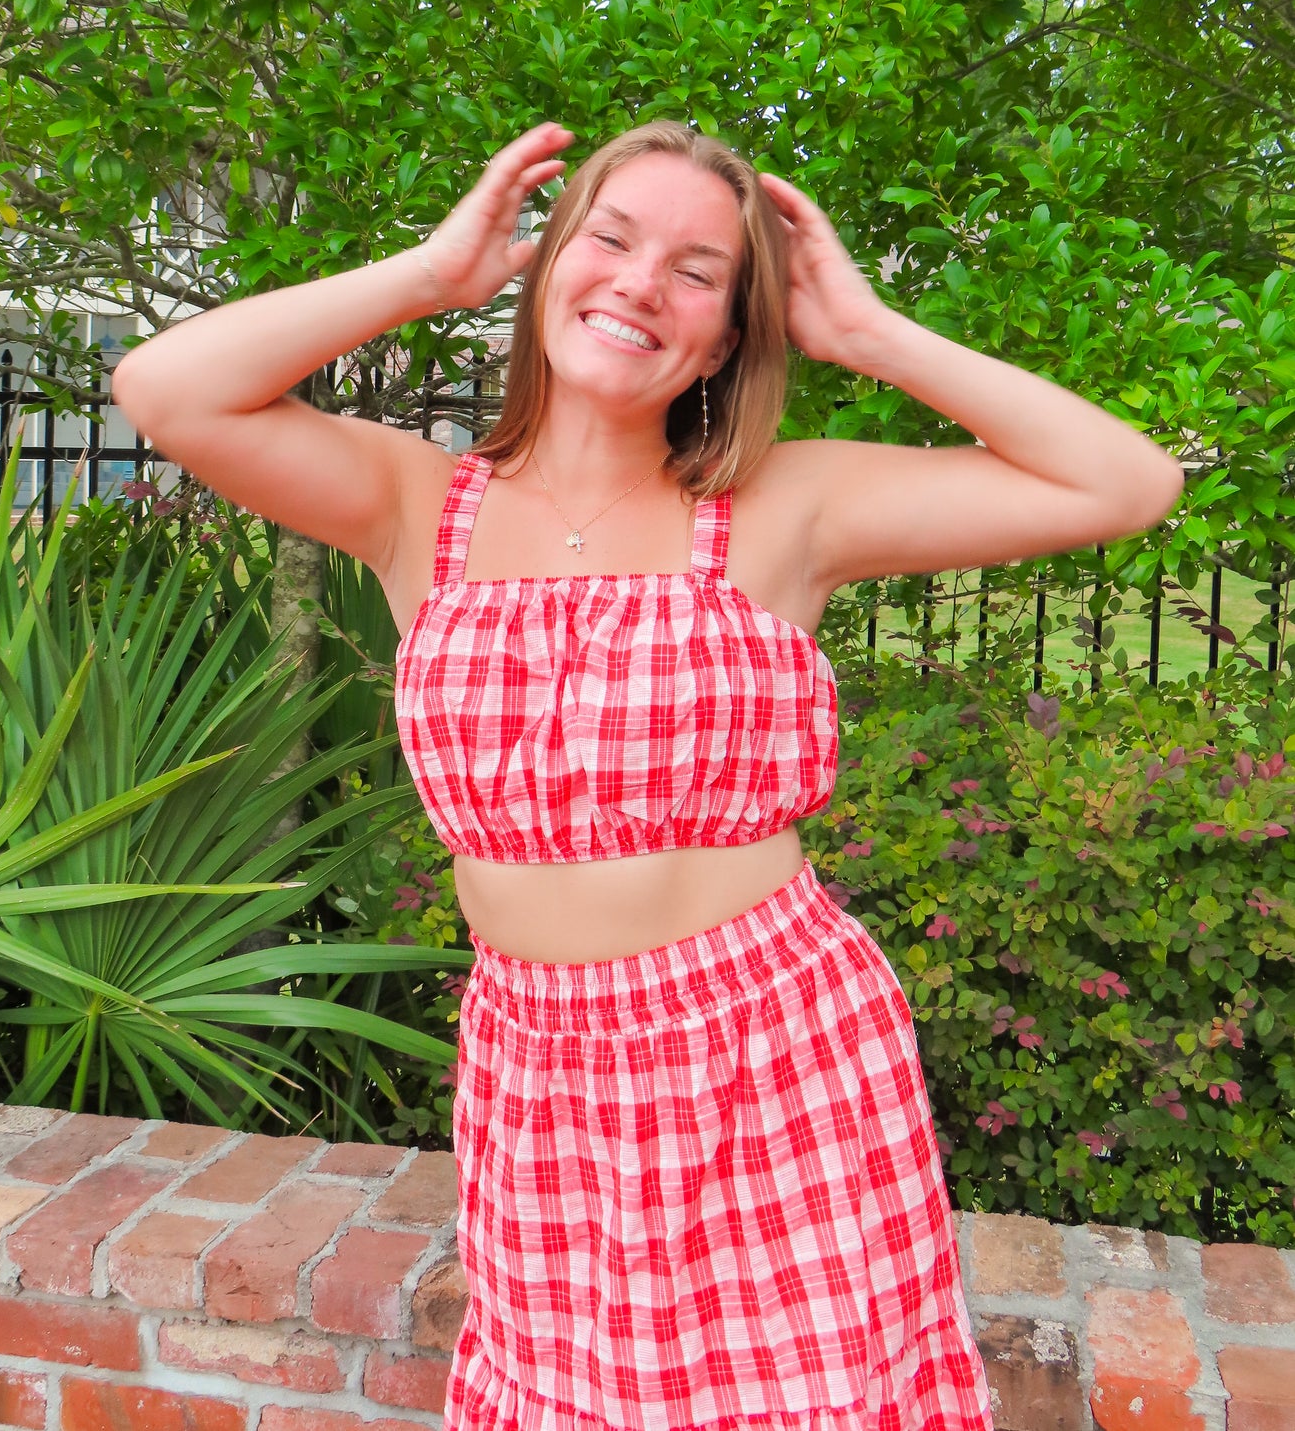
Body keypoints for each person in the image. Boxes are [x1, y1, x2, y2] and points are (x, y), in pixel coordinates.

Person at [112, 118, 1183, 1429]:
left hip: (773, 1046)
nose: (637, 283)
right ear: (551, 260)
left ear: (729, 333)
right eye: (609, 239)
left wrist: (869, 336)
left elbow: (1123, 482)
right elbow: (167, 391)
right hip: (540, 1066)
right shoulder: (413, 501)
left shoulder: (787, 503)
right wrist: (431, 275)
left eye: (694, 270)